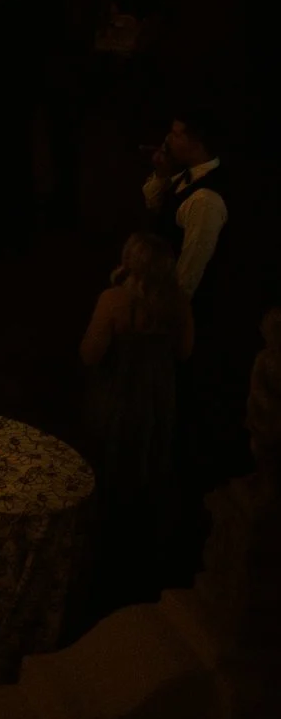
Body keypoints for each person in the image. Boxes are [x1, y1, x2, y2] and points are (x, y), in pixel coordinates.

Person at [80, 233, 195, 604]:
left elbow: (90, 354)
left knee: (108, 461)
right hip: (158, 398)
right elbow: (185, 352)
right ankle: (139, 541)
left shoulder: (114, 302)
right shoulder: (178, 304)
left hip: (118, 396)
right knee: (148, 460)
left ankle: (101, 545)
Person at [142, 109, 227, 298]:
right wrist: (162, 172)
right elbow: (155, 206)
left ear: (196, 143)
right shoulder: (187, 175)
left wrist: (166, 310)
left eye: (175, 134)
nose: (167, 140)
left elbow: (189, 273)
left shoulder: (205, 199)